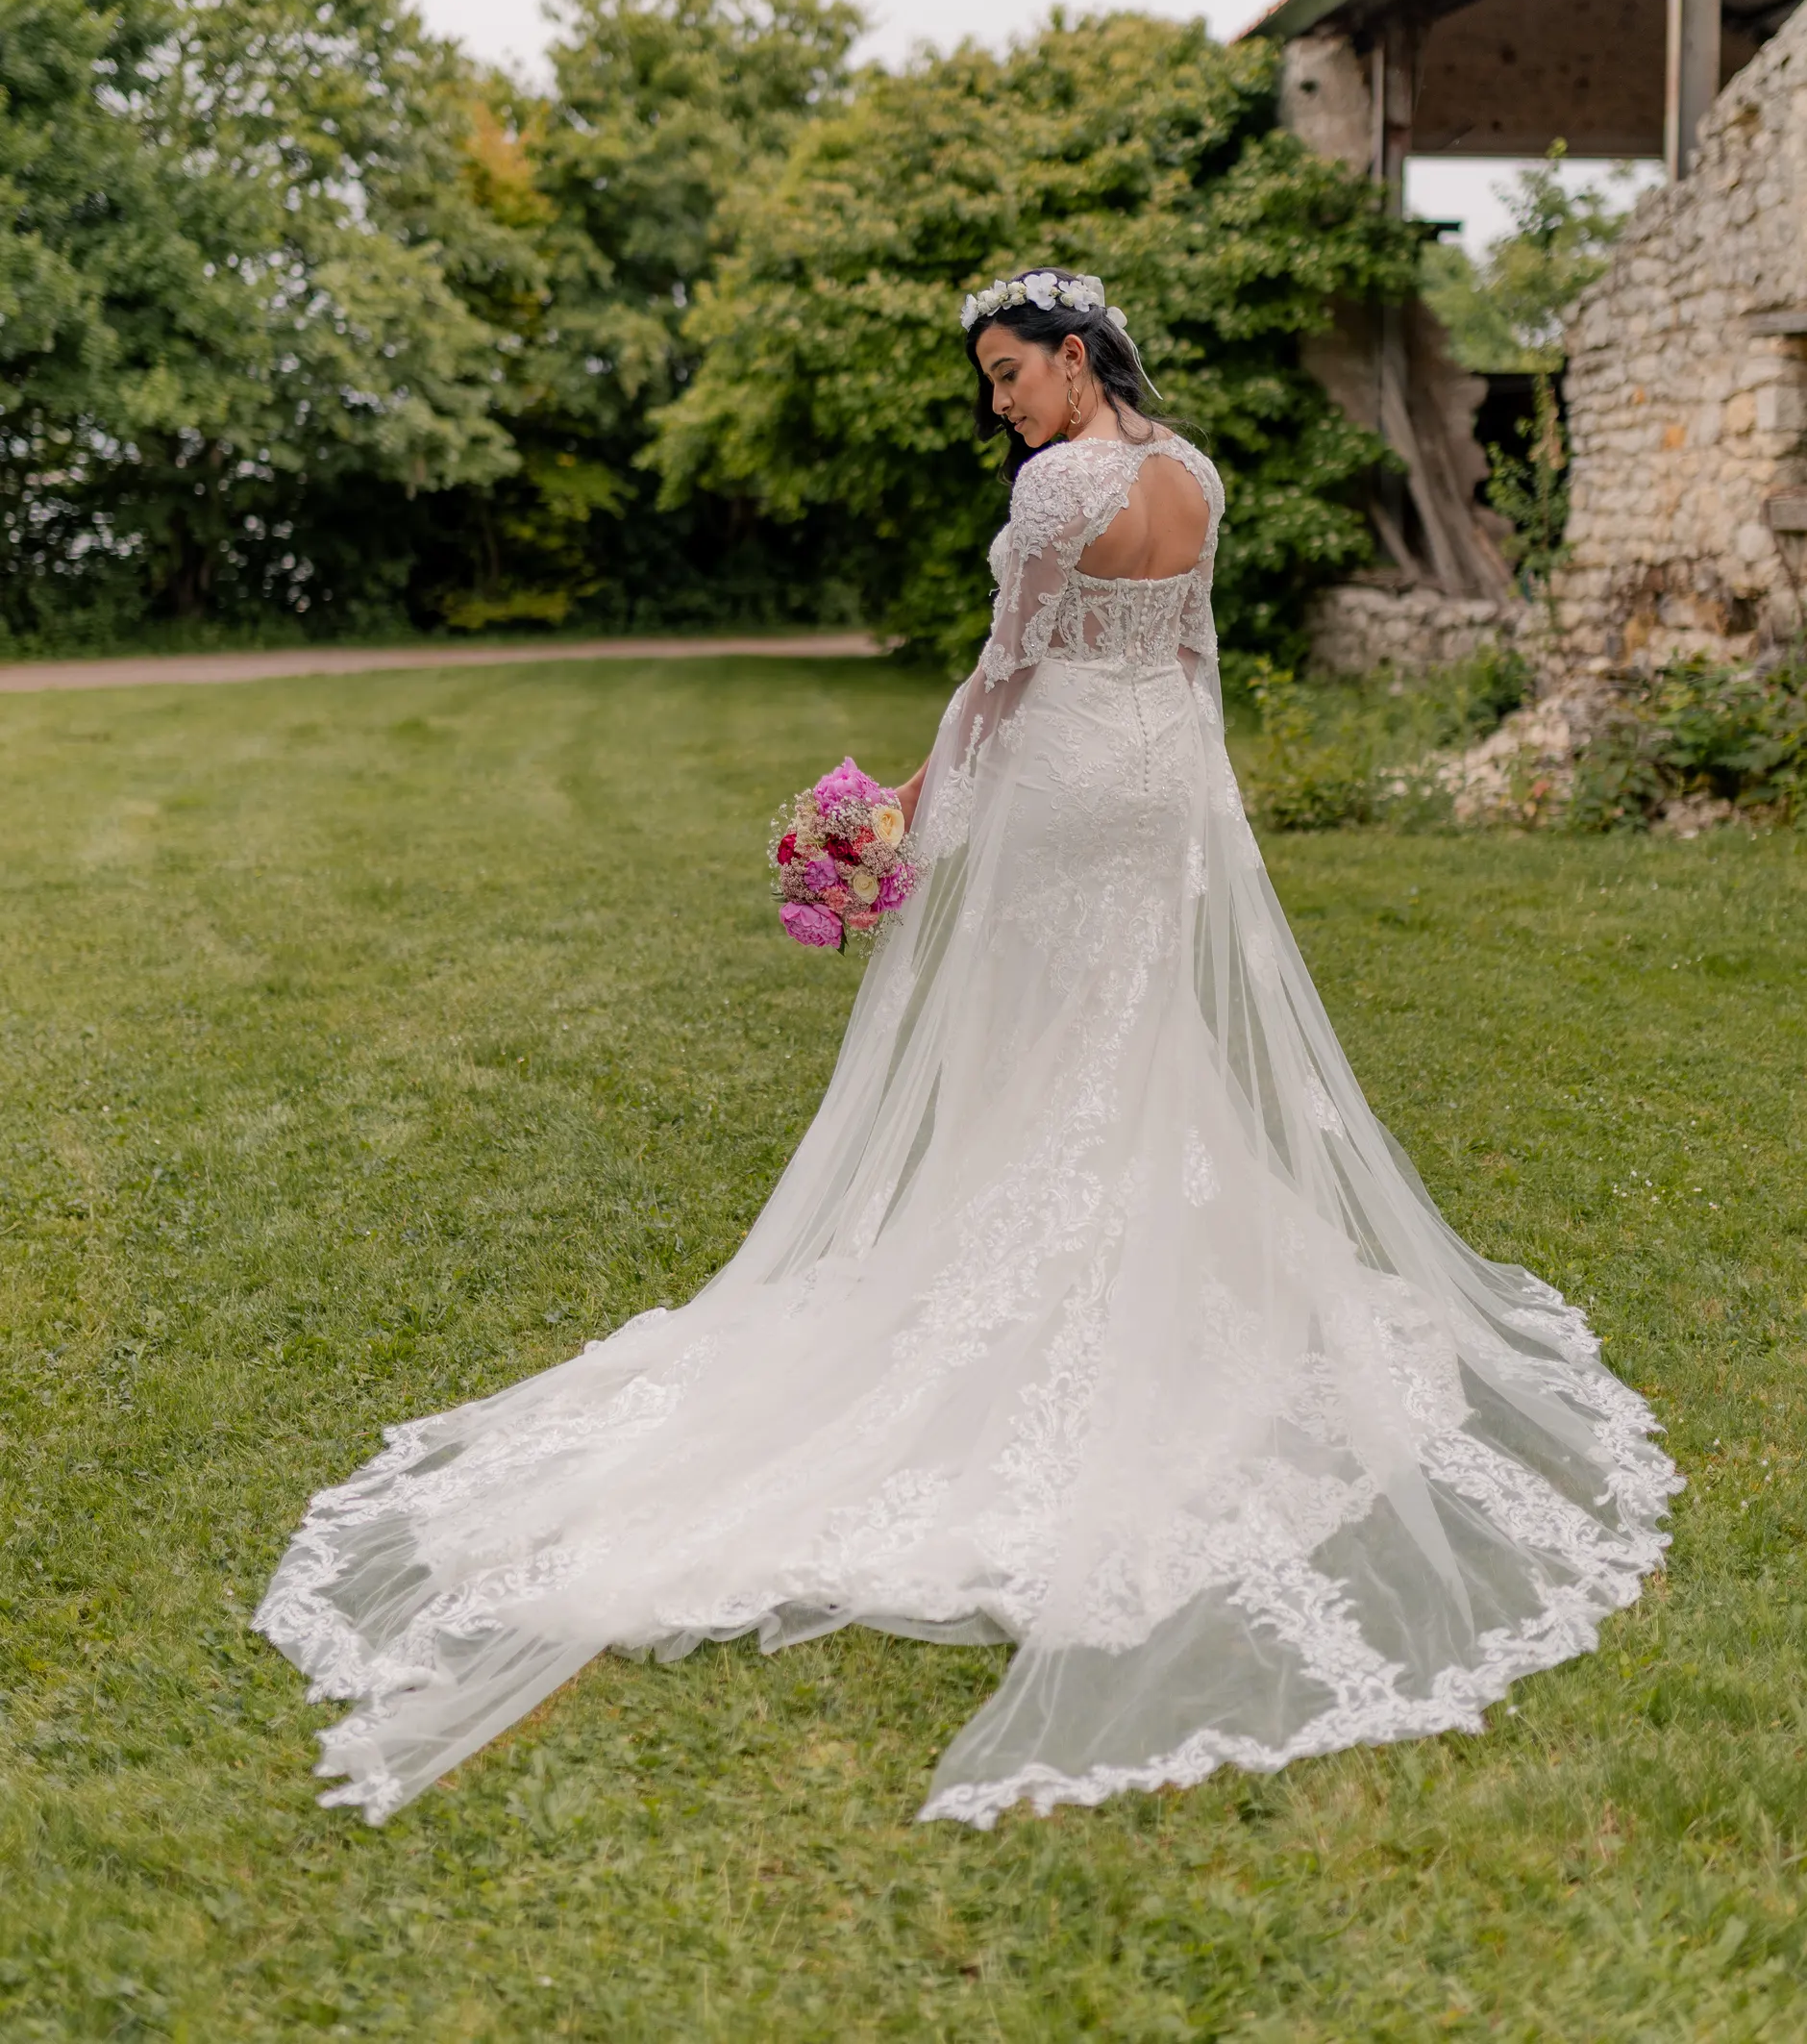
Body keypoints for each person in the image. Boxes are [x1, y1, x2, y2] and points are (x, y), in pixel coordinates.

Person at [256, 268, 1678, 1829]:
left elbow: (1005, 677)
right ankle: (1139, 1263)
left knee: (1031, 1050)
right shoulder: (1193, 472)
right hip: (1160, 793)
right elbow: (1190, 661)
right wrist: (1204, 812)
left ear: (1076, 360)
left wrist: (900, 818)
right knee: (1127, 1046)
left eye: (1010, 374)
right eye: (994, 384)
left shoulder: (1063, 487)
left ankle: (1020, 1270)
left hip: (1069, 791)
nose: (1000, 405)